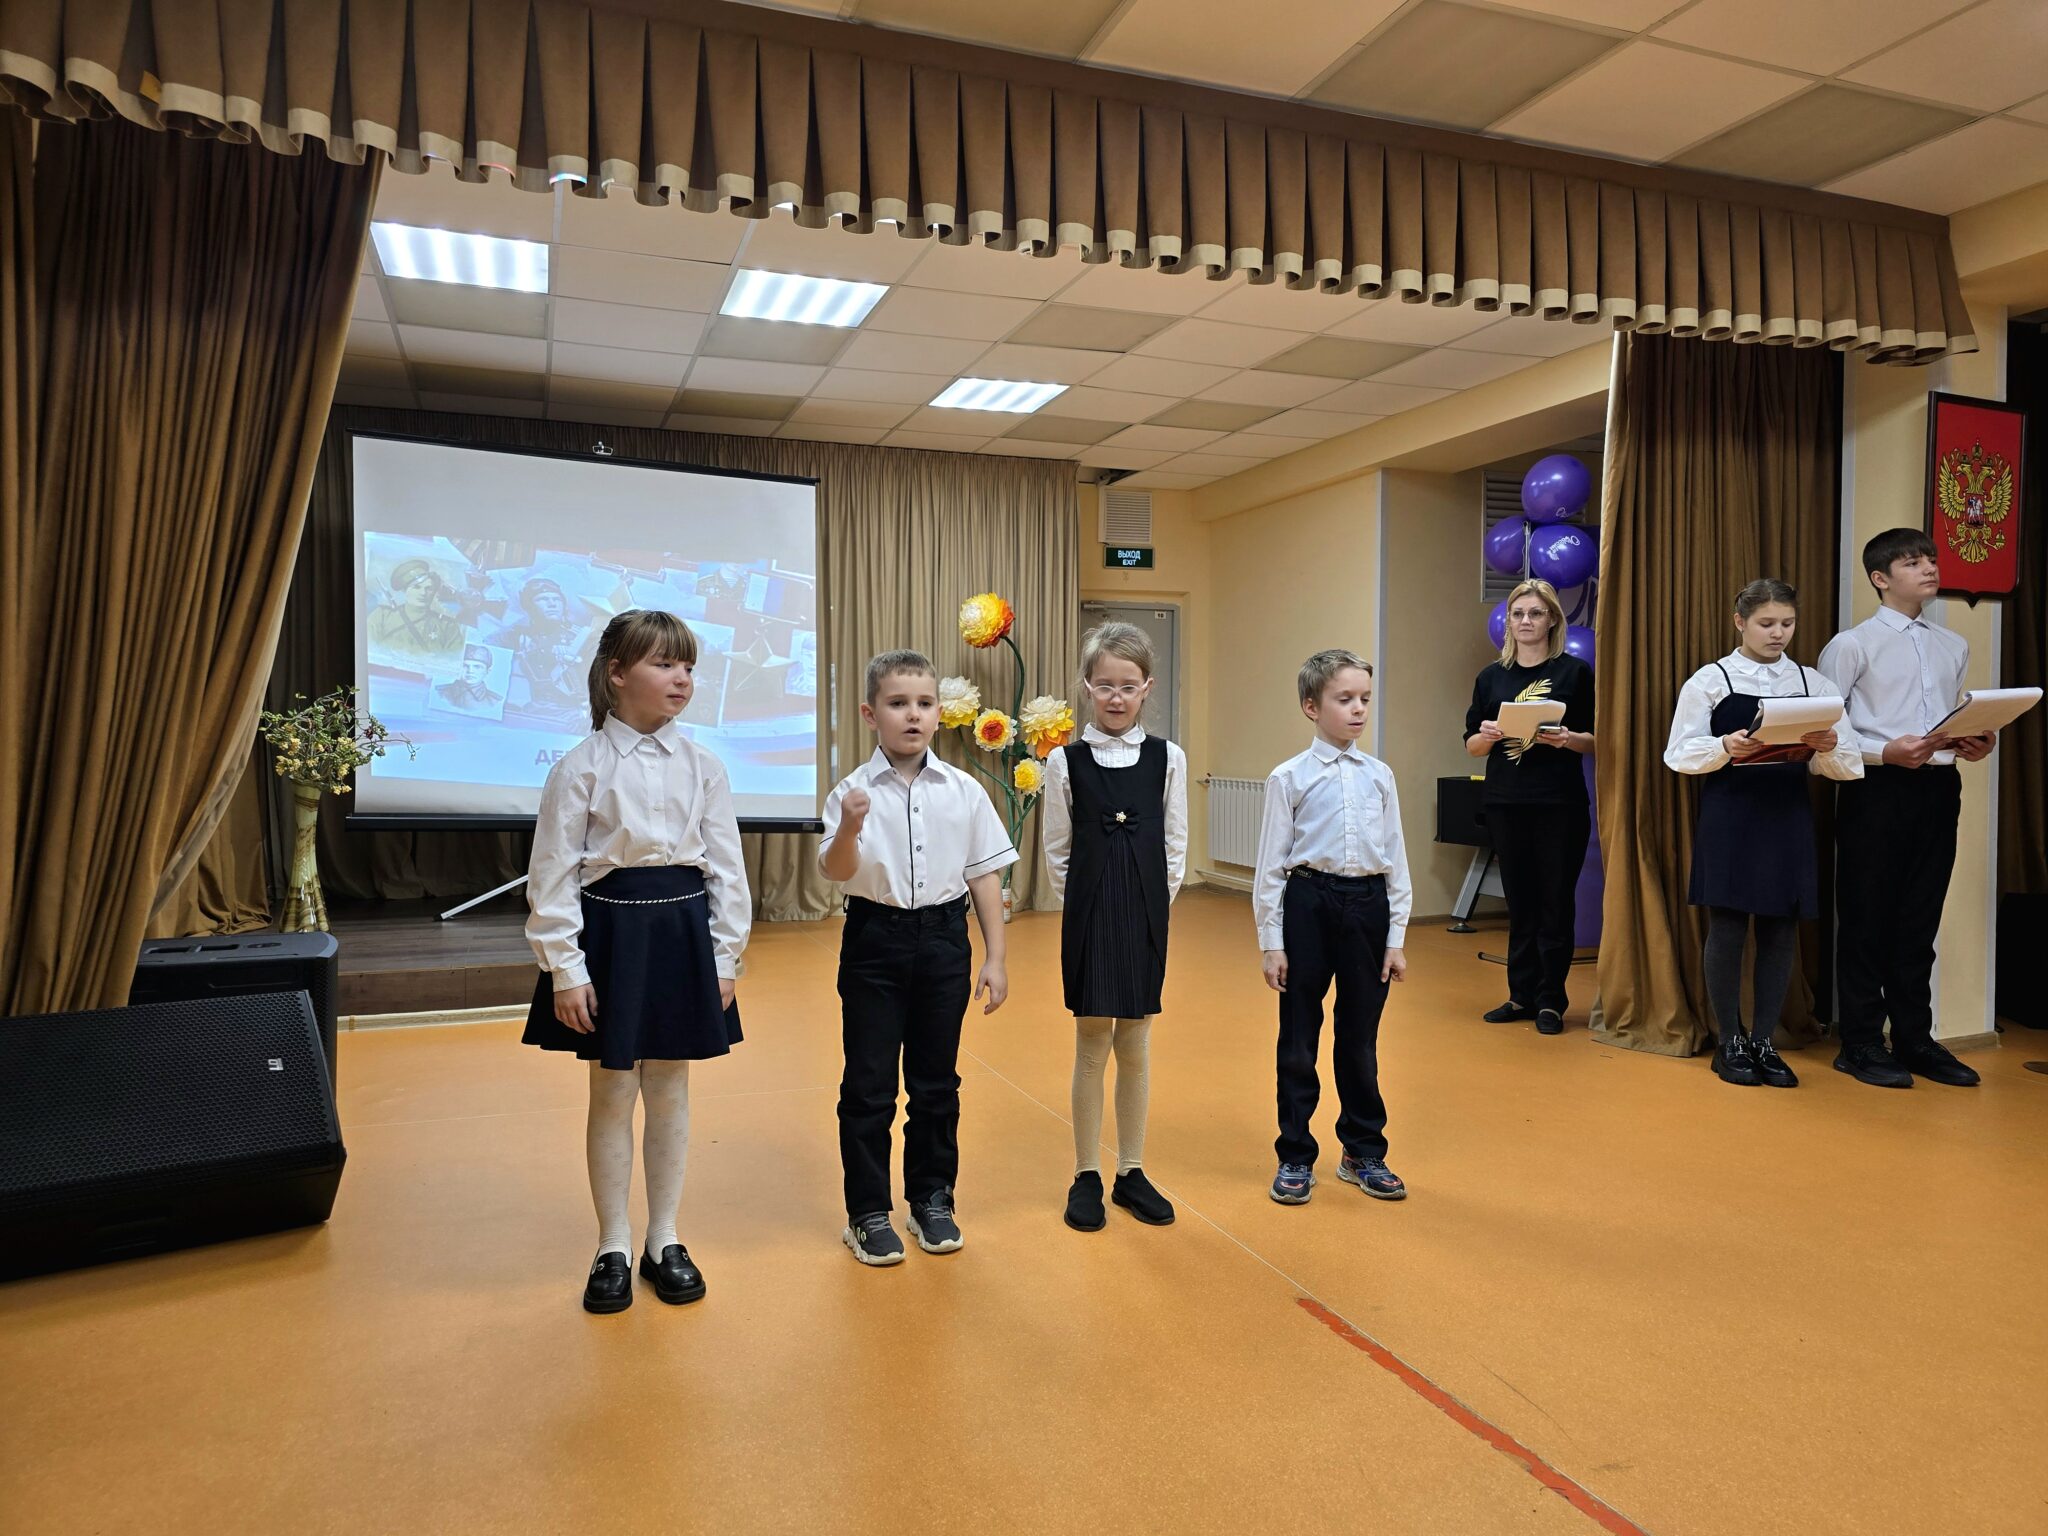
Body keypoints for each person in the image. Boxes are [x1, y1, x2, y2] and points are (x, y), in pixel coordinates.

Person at [522, 610, 750, 1314]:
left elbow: (727, 870)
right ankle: (613, 1244)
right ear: (617, 673)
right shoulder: (580, 767)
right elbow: (552, 877)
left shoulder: (705, 766)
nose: (682, 678)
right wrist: (566, 969)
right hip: (611, 937)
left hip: (683, 937)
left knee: (672, 1087)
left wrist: (725, 957)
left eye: (688, 666)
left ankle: (664, 1239)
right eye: (664, 663)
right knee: (614, 1089)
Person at [819, 651, 1015, 1266]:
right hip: (874, 941)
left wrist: (996, 957)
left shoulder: (963, 790)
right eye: (898, 703)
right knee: (869, 1084)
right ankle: (867, 1212)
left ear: (938, 713)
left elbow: (983, 876)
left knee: (937, 1082)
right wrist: (848, 828)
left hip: (944, 941)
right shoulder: (851, 792)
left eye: (924, 704)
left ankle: (931, 1199)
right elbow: (837, 871)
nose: (913, 715)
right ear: (870, 713)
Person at [1818, 529, 1996, 1089]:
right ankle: (1860, 1042)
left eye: (1931, 560)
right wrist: (1884, 752)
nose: (1929, 569)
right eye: (1913, 563)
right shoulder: (1851, 645)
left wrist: (1973, 742)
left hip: (1939, 790)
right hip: (1875, 790)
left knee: (1920, 917)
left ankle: (1915, 1038)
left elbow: (1945, 718)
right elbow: (1826, 733)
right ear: (1880, 578)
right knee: (1867, 917)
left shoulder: (1952, 645)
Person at [1664, 579, 1860, 1087]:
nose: (1778, 633)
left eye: (1787, 623)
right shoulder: (1711, 680)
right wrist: (1724, 746)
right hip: (1731, 812)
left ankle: (1765, 1040)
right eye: (1766, 623)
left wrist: (1828, 745)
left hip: (1787, 813)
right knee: (1728, 926)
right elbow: (1678, 754)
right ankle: (1729, 1040)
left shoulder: (1814, 683)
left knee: (1780, 928)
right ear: (1740, 622)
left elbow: (1846, 765)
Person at [1041, 621, 1188, 1233]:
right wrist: (1084, 907)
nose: (1117, 697)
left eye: (1129, 686)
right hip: (1091, 913)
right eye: (1105, 685)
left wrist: (1154, 904)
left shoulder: (1168, 758)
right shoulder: (1064, 761)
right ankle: (1086, 1173)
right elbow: (1057, 850)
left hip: (1145, 912)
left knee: (1136, 1041)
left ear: (1147, 687)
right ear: (1086, 687)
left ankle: (1131, 1170)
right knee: (1091, 1041)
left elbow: (1175, 844)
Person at [1253, 650, 1412, 1207]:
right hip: (1309, 903)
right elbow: (1271, 867)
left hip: (1368, 907)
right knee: (1299, 1036)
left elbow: (1395, 860)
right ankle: (1295, 1153)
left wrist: (1395, 938)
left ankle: (1362, 1149)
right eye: (1345, 699)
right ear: (1311, 706)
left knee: (1360, 1037)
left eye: (1364, 698)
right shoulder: (1288, 778)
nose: (1358, 709)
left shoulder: (1380, 777)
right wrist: (1272, 942)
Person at [1463, 578, 1595, 1036]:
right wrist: (1487, 735)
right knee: (1519, 903)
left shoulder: (1574, 672)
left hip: (1560, 804)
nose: (1525, 621)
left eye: (1535, 613)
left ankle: (1551, 1001)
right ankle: (1520, 994)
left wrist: (1567, 738)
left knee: (1555, 902)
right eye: (1518, 614)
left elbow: (1596, 739)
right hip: (1506, 802)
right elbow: (1473, 746)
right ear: (1509, 623)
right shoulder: (1490, 677)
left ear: (1552, 619)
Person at [368, 558, 464, 665]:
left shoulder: (447, 626)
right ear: (404, 590)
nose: (423, 593)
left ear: (434, 592)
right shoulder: (382, 616)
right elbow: (367, 651)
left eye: (429, 588)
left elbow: (454, 662)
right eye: (416, 587)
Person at [433, 645, 504, 716]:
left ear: (487, 671)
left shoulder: (495, 702)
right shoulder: (438, 693)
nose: (470, 671)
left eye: (477, 667)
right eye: (465, 666)